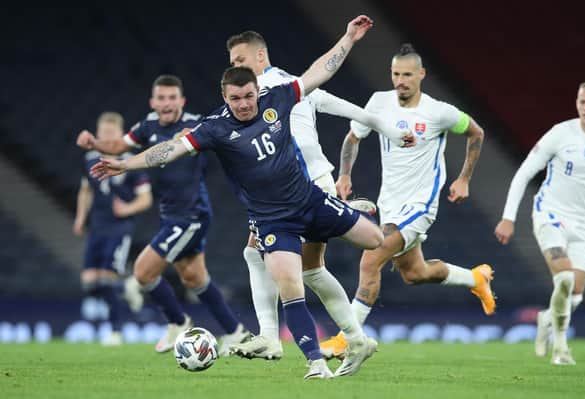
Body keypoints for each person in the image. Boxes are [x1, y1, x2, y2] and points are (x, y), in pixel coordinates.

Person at [90, 15, 389, 380]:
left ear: (256, 88)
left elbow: (319, 71)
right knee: (291, 283)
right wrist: (126, 165)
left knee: (374, 240)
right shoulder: (215, 127)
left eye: (248, 96)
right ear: (224, 97)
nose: (245, 104)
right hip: (273, 220)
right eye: (237, 98)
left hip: (310, 198)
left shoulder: (278, 94)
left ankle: (322, 335)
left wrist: (348, 39)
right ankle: (313, 360)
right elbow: (167, 150)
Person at [224, 30, 415, 361]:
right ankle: (353, 338)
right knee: (294, 265)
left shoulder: (271, 90)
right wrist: (392, 131)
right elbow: (348, 109)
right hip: (308, 183)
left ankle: (273, 336)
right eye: (232, 63)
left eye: (240, 60)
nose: (236, 68)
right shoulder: (296, 84)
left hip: (300, 188)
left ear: (260, 56)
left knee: (266, 257)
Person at [320, 44, 496, 359]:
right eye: (395, 74)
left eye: (406, 75)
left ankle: (349, 338)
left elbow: (476, 132)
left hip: (421, 205)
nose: (400, 81)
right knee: (414, 273)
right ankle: (476, 278)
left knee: (371, 258)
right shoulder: (379, 102)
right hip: (390, 204)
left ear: (421, 75)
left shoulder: (438, 112)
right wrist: (344, 175)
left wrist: (464, 178)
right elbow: (353, 137)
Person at [76, 75, 250, 354]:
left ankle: (178, 322)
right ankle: (235, 331)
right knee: (195, 278)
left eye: (172, 98)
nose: (167, 104)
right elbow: (120, 146)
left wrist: (189, 138)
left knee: (142, 272)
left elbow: (222, 140)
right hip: (171, 214)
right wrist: (95, 143)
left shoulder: (195, 125)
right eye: (161, 98)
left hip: (192, 215)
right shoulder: (148, 126)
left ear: (182, 101)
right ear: (153, 102)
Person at [495, 81, 585, 365]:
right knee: (564, 278)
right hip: (550, 214)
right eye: (582, 102)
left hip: (584, 224)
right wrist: (508, 217)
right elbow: (524, 173)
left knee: (574, 297)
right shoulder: (561, 133)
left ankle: (545, 320)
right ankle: (561, 348)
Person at [73, 112, 152, 346]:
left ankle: (116, 331)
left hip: (119, 228)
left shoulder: (131, 162)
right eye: (103, 133)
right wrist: (80, 218)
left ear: (120, 135)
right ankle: (128, 286)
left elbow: (145, 199)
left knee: (107, 280)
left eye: (111, 134)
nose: (106, 137)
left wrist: (126, 210)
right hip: (97, 226)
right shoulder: (90, 159)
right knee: (89, 283)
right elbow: (86, 189)